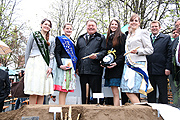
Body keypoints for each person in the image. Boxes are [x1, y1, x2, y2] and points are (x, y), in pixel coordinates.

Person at [120, 13, 154, 104]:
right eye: (132, 21)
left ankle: (139, 111)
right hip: (128, 65)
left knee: (130, 90)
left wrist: (138, 51)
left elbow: (150, 50)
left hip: (138, 64)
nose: (133, 22)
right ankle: (137, 111)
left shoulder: (143, 32)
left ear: (139, 23)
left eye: (136, 21)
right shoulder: (129, 35)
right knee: (130, 90)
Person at [24, 18, 55, 104]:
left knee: (42, 89)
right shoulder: (34, 35)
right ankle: (31, 111)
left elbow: (52, 54)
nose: (47, 26)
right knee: (34, 88)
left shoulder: (52, 39)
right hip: (33, 63)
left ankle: (39, 111)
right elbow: (27, 51)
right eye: (45, 24)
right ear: (41, 25)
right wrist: (26, 66)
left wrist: (50, 67)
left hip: (45, 64)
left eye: (49, 25)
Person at [76, 19, 106, 104]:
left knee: (96, 93)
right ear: (86, 27)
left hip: (95, 71)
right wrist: (77, 67)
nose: (91, 27)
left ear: (96, 27)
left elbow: (104, 51)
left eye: (93, 25)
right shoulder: (80, 38)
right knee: (84, 95)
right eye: (89, 25)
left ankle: (97, 111)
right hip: (83, 71)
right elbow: (77, 54)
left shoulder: (101, 37)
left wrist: (97, 56)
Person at [101, 19, 126, 106]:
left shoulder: (122, 37)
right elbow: (105, 51)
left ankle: (117, 109)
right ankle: (116, 108)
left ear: (118, 26)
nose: (114, 26)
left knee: (119, 92)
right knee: (113, 91)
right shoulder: (107, 38)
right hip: (109, 67)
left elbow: (123, 52)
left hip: (118, 67)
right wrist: (103, 62)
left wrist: (116, 63)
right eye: (112, 24)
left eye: (116, 24)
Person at [147, 20, 172, 104]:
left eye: (156, 26)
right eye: (152, 27)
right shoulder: (147, 39)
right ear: (150, 28)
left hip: (161, 71)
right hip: (149, 71)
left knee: (163, 93)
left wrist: (168, 67)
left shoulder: (166, 38)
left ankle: (163, 114)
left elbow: (169, 54)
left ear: (159, 28)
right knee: (150, 94)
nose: (154, 28)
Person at [53, 23, 77, 105]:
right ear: (63, 30)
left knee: (67, 88)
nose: (69, 30)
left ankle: (63, 106)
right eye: (67, 28)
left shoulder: (72, 41)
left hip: (71, 64)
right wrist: (60, 65)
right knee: (63, 88)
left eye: (70, 28)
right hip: (64, 63)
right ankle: (61, 107)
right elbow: (57, 53)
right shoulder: (60, 39)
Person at [170, 18, 180, 107]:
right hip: (176, 71)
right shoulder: (176, 41)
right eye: (177, 26)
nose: (178, 28)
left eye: (179, 25)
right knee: (176, 93)